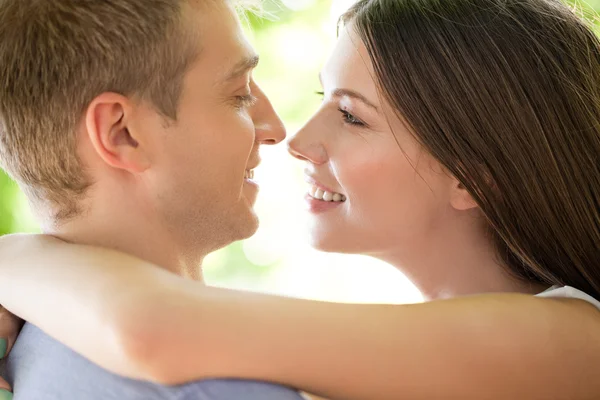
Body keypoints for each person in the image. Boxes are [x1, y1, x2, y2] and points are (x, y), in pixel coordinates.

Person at [2, 0, 600, 398]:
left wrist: (15, 259)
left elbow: (153, 328)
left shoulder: (577, 347)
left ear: (473, 175)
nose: (297, 138)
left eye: (350, 116)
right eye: (322, 99)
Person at [0, 0, 312, 399]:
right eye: (239, 94)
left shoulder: (33, 356)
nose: (275, 129)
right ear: (122, 133)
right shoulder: (217, 385)